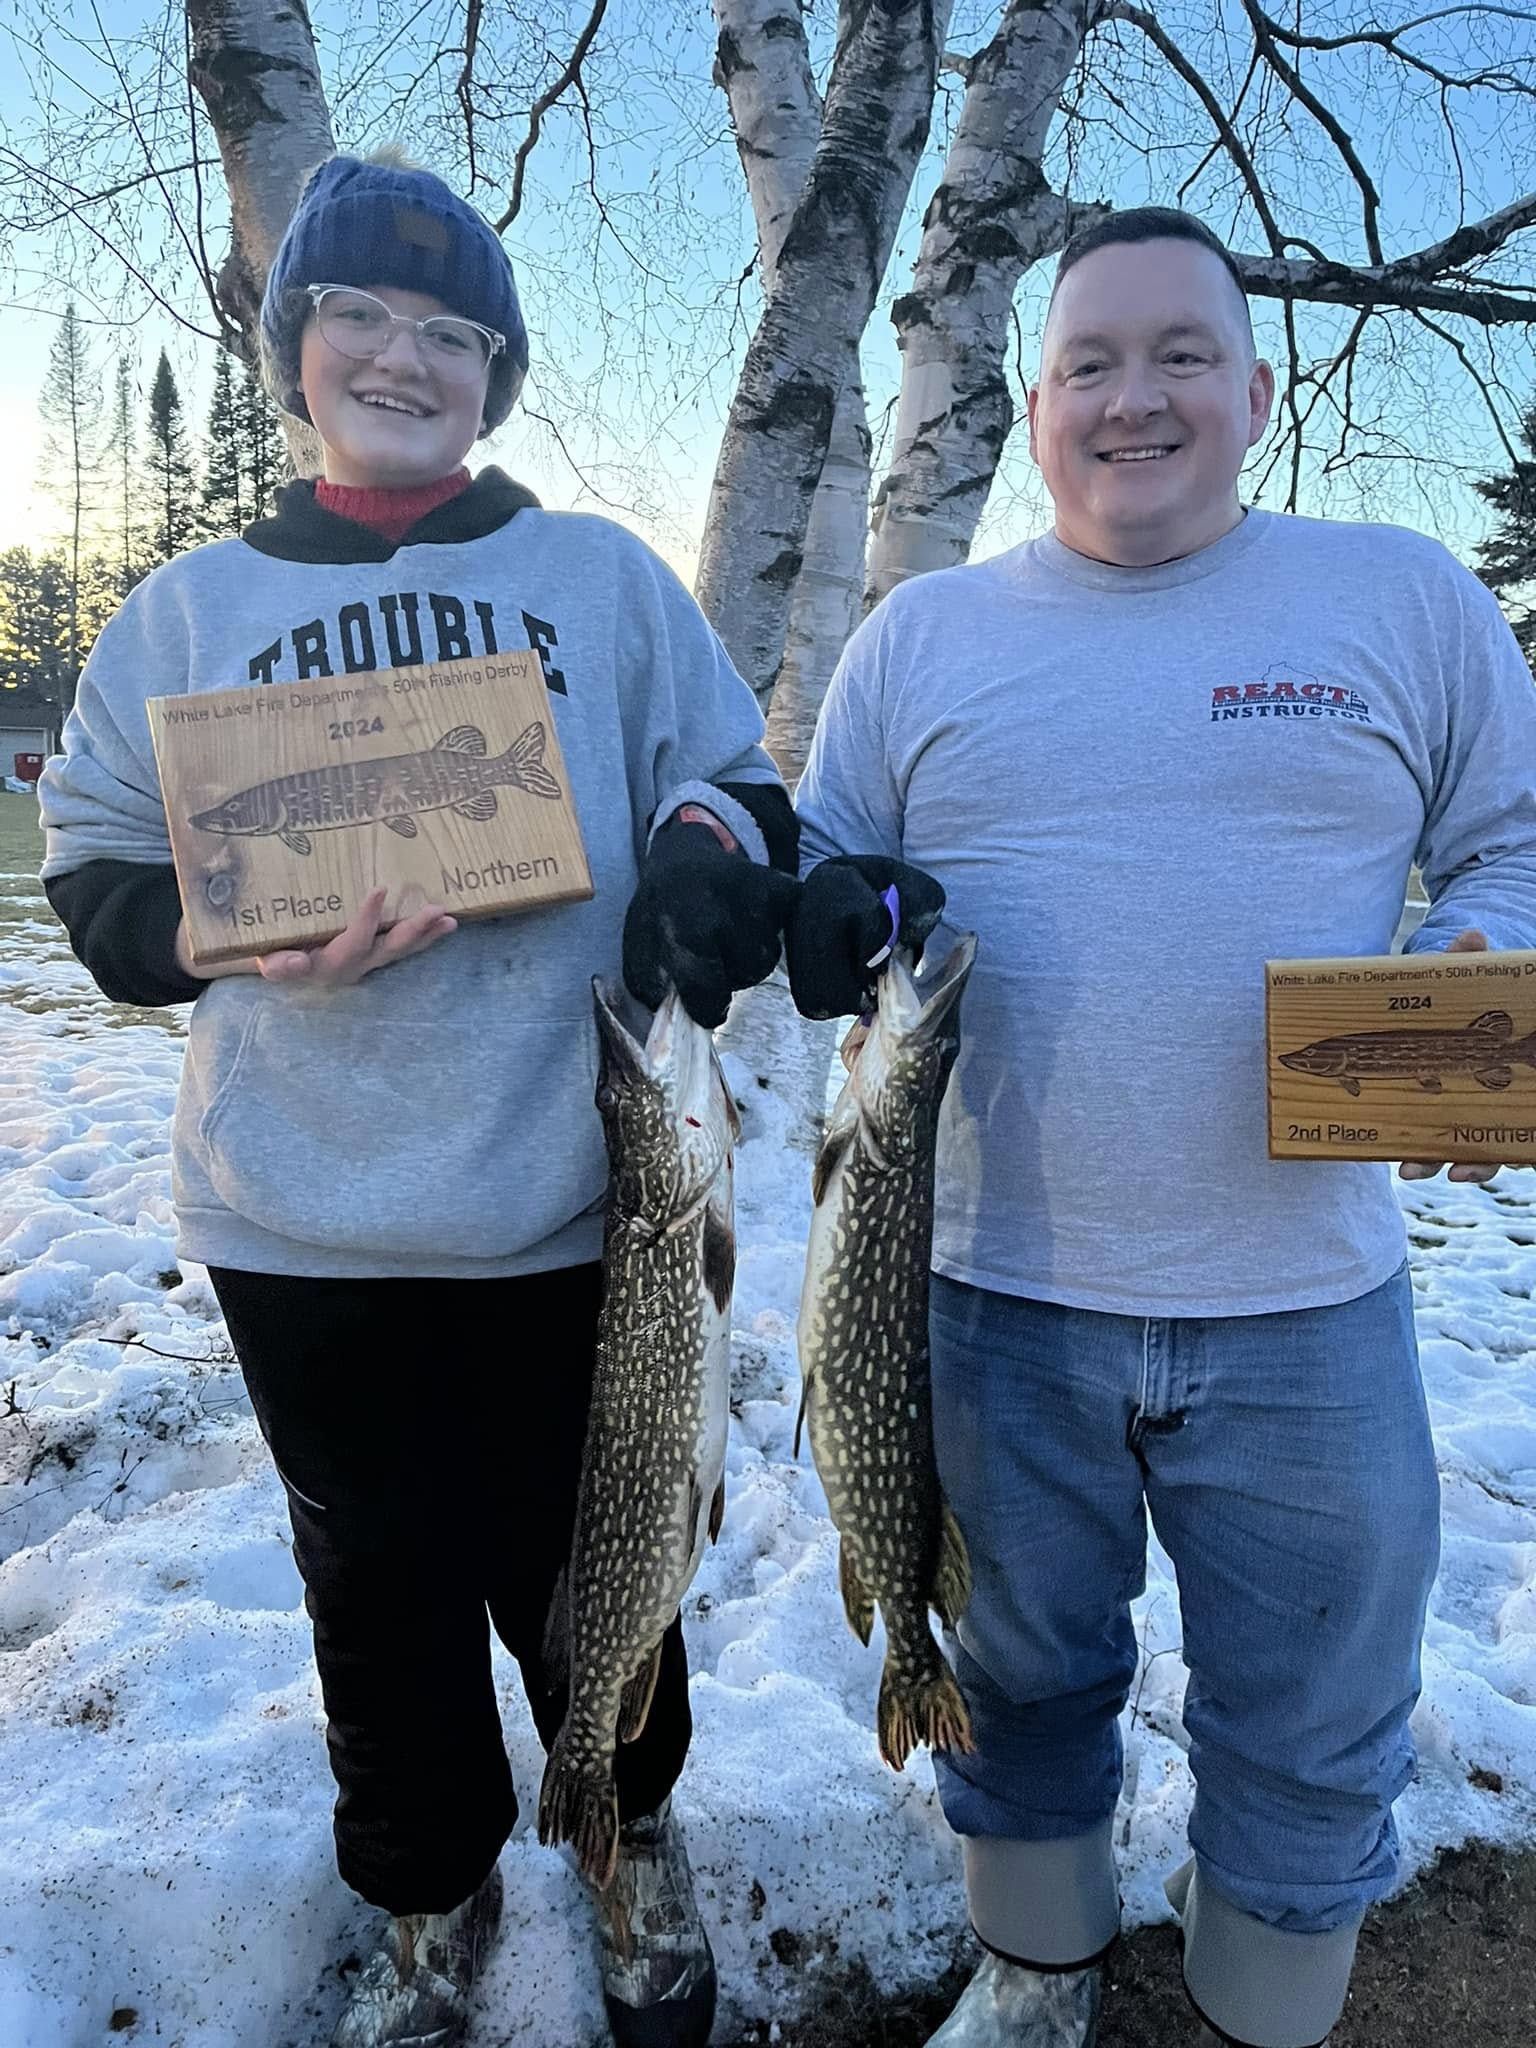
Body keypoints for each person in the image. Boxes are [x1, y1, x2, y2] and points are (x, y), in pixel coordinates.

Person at [39, 149, 800, 2048]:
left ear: (498, 371)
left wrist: (708, 857)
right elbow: (97, 873)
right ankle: (427, 1890)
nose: (403, 355)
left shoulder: (601, 579)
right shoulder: (186, 613)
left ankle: (628, 1837)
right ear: (293, 345)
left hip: (572, 1206)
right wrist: (224, 935)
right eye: (359, 316)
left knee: (599, 1564)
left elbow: (729, 775)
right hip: (301, 1221)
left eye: (453, 331)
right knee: (375, 1601)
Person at [785, 206, 1536, 2048]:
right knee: (1022, 1671)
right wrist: (816, 914)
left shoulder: (1401, 596)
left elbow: (1517, 841)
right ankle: (1039, 1973)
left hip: (1307, 1302)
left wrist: (1482, 956)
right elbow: (822, 860)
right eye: (1090, 363)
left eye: (1181, 353)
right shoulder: (921, 633)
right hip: (985, 1296)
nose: (1137, 398)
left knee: (1314, 1704)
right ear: (1037, 409)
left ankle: (1263, 2004)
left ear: (1254, 387)